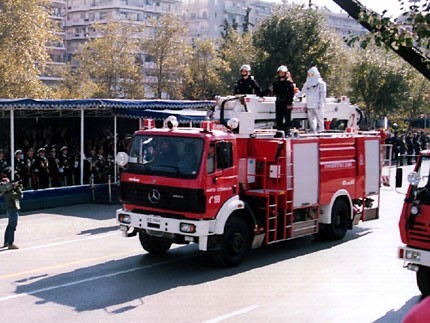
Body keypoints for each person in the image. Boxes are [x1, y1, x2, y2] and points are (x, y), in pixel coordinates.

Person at [261, 65, 295, 136]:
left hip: (286, 102)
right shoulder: (276, 83)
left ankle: (286, 132)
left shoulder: (289, 83)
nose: (281, 74)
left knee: (287, 118)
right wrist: (261, 94)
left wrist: (290, 103)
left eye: (283, 73)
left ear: (285, 73)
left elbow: (291, 94)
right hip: (279, 102)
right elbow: (269, 90)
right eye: (280, 73)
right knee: (278, 118)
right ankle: (279, 132)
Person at [298, 66, 327, 133]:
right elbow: (302, 92)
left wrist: (321, 103)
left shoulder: (321, 84)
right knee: (311, 118)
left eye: (311, 74)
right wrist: (296, 96)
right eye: (309, 74)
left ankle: (321, 129)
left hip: (317, 104)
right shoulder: (307, 83)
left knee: (320, 118)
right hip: (310, 103)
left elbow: (323, 95)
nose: (310, 76)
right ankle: (313, 129)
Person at [1, 177, 23, 250]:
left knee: (9, 226)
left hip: (10, 209)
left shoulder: (7, 190)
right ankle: (10, 243)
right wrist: (18, 188)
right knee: (12, 227)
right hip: (12, 209)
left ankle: (6, 242)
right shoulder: (8, 191)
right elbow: (19, 196)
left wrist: (14, 186)